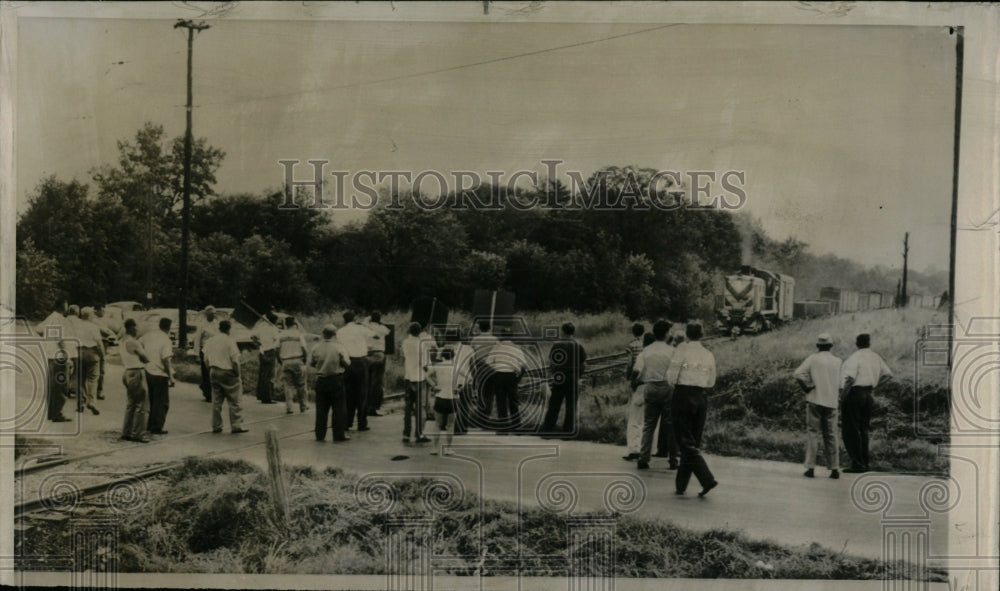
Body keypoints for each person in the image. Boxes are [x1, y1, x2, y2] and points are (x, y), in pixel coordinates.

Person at [666, 322, 718, 497]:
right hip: (701, 396)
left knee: (684, 441)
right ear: (702, 334)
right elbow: (712, 381)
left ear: (687, 334)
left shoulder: (682, 350)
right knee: (692, 441)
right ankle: (681, 485)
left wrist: (677, 383)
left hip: (683, 395)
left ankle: (707, 478)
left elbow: (671, 376)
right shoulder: (708, 354)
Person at [840, 333, 893, 473]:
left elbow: (850, 380)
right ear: (869, 343)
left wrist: (841, 397)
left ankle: (857, 463)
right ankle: (864, 462)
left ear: (857, 343)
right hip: (868, 394)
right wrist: (874, 386)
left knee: (851, 429)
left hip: (855, 393)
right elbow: (888, 375)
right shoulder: (876, 357)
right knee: (863, 429)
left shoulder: (855, 357)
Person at [794, 333, 843, 479]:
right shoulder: (838, 361)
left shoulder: (813, 359)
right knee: (832, 435)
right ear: (831, 346)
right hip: (831, 402)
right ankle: (834, 469)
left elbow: (798, 374)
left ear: (817, 346)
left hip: (815, 399)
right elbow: (841, 384)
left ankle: (810, 468)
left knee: (813, 434)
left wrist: (806, 388)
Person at [634, 320, 679, 470]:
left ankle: (643, 457)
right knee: (671, 425)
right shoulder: (671, 351)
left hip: (651, 387)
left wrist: (641, 381)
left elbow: (639, 372)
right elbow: (679, 368)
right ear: (666, 333)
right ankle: (673, 459)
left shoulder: (646, 350)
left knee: (648, 425)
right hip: (667, 387)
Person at [542, 322, 587, 437]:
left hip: (559, 377)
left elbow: (552, 362)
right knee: (571, 405)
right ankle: (567, 431)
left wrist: (554, 373)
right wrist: (578, 376)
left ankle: (547, 430)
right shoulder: (578, 345)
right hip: (572, 377)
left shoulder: (557, 344)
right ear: (573, 332)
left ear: (563, 331)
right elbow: (582, 364)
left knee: (554, 404)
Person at [204, 320, 248, 434]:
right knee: (235, 400)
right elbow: (235, 361)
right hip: (228, 372)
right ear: (229, 329)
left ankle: (216, 425)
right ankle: (237, 425)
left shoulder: (210, 340)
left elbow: (205, 359)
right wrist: (237, 374)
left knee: (216, 401)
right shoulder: (230, 341)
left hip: (214, 370)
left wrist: (211, 369)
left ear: (219, 328)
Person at [310, 324, 352, 442]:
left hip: (321, 380)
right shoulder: (339, 347)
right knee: (339, 409)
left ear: (323, 334)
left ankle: (320, 435)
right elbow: (347, 363)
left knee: (321, 409)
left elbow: (312, 363)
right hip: (336, 379)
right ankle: (338, 435)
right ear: (335, 334)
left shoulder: (316, 347)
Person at [483, 338, 529, 433]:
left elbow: (488, 362)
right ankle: (517, 426)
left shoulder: (496, 348)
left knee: (501, 402)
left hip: (499, 375)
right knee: (513, 401)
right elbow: (524, 364)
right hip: (512, 376)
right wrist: (518, 376)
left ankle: (503, 428)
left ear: (501, 338)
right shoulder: (517, 348)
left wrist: (495, 369)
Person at [338, 311, 375, 431]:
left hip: (347, 362)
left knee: (348, 393)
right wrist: (365, 325)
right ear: (354, 319)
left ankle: (347, 422)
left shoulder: (340, 331)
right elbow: (376, 335)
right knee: (362, 393)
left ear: (344, 320)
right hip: (361, 361)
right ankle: (362, 422)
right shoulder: (360, 328)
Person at [38, 309, 75, 423]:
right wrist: (67, 356)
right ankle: (57, 413)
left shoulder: (50, 317)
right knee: (61, 386)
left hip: (50, 355)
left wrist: (48, 340)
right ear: (64, 305)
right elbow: (60, 340)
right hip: (59, 357)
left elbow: (38, 329)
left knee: (53, 386)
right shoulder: (59, 319)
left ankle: (52, 413)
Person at [623, 332, 656, 461]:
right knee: (649, 421)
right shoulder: (660, 355)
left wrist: (632, 383)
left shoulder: (643, 355)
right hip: (654, 387)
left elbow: (636, 371)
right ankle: (649, 449)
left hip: (642, 388)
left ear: (644, 343)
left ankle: (634, 449)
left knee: (635, 420)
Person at [140, 316, 175, 435]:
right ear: (169, 328)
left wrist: (143, 360)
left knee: (151, 399)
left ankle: (149, 424)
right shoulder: (166, 340)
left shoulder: (149, 335)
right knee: (161, 402)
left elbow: (138, 345)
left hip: (148, 370)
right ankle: (157, 426)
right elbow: (166, 359)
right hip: (160, 373)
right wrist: (170, 375)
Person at [119, 318, 151, 443]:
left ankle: (126, 431)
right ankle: (138, 433)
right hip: (137, 371)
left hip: (127, 371)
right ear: (132, 327)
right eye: (136, 327)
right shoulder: (133, 342)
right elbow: (145, 358)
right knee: (141, 405)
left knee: (131, 403)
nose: (138, 329)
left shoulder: (122, 341)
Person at [427, 348, 463, 454]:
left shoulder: (438, 366)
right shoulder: (457, 367)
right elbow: (466, 379)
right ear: (453, 356)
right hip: (453, 398)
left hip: (440, 397)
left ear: (442, 356)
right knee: (450, 425)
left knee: (437, 424)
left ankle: (434, 448)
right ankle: (448, 448)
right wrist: (459, 388)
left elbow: (427, 376)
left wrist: (434, 386)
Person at [401, 322, 432, 443]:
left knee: (408, 408)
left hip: (408, 377)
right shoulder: (421, 344)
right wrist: (430, 373)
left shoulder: (405, 342)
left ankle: (406, 434)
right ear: (419, 332)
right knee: (420, 408)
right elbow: (423, 363)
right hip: (419, 378)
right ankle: (419, 434)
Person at [71, 306, 105, 415]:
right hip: (92, 352)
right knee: (93, 379)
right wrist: (102, 355)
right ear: (89, 316)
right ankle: (92, 402)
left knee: (80, 378)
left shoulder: (76, 327)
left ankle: (80, 403)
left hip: (79, 352)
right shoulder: (93, 327)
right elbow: (99, 343)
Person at [277, 316, 310, 415]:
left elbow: (276, 349)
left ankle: (289, 408)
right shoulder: (299, 335)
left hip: (286, 361)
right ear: (295, 324)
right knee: (301, 385)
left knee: (288, 386)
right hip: (298, 360)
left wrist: (280, 360)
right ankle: (303, 406)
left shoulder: (281, 335)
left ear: (286, 324)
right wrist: (305, 359)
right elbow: (304, 349)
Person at [469, 320, 500, 423]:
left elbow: (471, 355)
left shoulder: (475, 340)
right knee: (490, 393)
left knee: (481, 392)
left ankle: (480, 416)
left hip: (479, 367)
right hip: (492, 367)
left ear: (480, 328)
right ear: (489, 328)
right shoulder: (495, 339)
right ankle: (486, 417)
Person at [365, 311, 392, 417]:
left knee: (367, 381)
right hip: (378, 354)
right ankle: (374, 407)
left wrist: (368, 320)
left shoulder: (365, 327)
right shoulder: (383, 328)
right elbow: (388, 331)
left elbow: (365, 323)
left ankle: (365, 406)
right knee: (377, 383)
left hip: (366, 355)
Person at [193, 305, 220, 402]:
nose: (212, 316)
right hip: (205, 351)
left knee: (213, 372)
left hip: (215, 350)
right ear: (206, 314)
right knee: (206, 372)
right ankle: (208, 394)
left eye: (213, 314)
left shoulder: (216, 324)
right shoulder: (202, 325)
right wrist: (196, 354)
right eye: (210, 314)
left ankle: (209, 390)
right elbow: (197, 340)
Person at [253, 312, 280, 404]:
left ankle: (261, 395)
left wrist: (259, 343)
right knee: (269, 375)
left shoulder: (261, 326)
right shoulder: (273, 328)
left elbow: (253, 336)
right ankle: (268, 397)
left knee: (263, 374)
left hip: (262, 351)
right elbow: (277, 340)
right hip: (270, 351)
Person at [90, 305, 116, 400]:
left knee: (100, 368)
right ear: (96, 310)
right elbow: (105, 331)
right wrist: (112, 334)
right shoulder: (94, 320)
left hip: (104, 342)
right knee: (100, 367)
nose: (104, 312)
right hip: (99, 342)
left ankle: (98, 390)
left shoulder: (101, 320)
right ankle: (98, 391)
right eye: (102, 310)